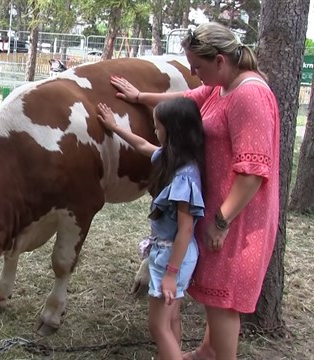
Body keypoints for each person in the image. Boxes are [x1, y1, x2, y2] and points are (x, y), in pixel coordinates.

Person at [108, 22, 280, 360]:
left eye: (197, 66)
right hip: (216, 210)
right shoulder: (222, 86)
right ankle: (206, 353)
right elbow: (184, 99)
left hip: (238, 220)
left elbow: (252, 174)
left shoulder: (249, 95)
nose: (191, 72)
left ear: (219, 61)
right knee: (215, 299)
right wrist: (140, 97)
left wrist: (220, 220)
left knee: (224, 303)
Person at [97, 97, 205, 360]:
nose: (155, 132)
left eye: (158, 127)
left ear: (173, 130)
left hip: (171, 255)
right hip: (174, 254)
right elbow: (143, 145)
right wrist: (115, 126)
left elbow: (186, 230)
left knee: (157, 326)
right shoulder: (175, 159)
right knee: (171, 318)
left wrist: (170, 273)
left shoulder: (183, 178)